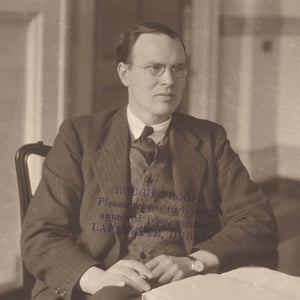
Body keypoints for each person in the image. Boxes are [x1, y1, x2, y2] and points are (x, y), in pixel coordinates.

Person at [21, 22, 278, 300]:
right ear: (124, 73)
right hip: (99, 285)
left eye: (177, 68)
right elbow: (40, 233)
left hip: (182, 288)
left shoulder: (209, 138)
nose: (169, 80)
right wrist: (97, 278)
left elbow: (257, 221)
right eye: (155, 68)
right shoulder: (79, 136)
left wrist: (196, 262)